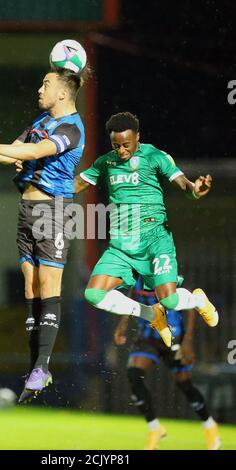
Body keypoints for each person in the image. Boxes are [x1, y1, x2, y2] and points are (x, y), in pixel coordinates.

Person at [0, 67, 86, 403]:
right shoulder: (39, 123)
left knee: (50, 285)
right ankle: (36, 367)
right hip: (27, 212)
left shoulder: (71, 127)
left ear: (63, 93)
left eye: (46, 84)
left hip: (55, 211)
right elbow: (11, 151)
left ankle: (43, 365)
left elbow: (34, 153)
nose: (40, 89)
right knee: (30, 287)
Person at [74, 111, 218, 347]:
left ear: (138, 137)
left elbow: (183, 184)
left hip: (155, 239)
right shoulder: (105, 163)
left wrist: (195, 190)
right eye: (116, 145)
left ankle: (197, 300)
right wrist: (43, 185)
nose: (121, 151)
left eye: (126, 145)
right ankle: (151, 314)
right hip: (122, 245)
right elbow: (77, 184)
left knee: (169, 300)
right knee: (93, 295)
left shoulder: (154, 156)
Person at [113, 276, 221, 450]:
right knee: (134, 374)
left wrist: (188, 340)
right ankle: (154, 428)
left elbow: (191, 306)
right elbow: (131, 296)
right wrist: (123, 323)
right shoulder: (137, 276)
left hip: (173, 337)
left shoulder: (169, 275)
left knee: (184, 383)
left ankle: (210, 425)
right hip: (147, 337)